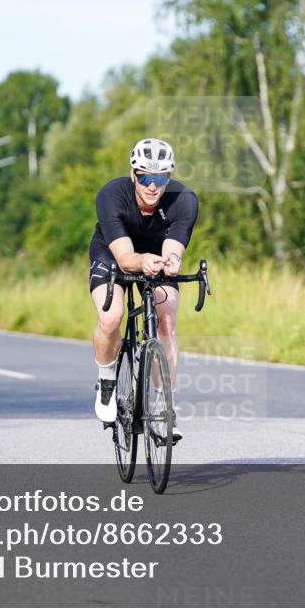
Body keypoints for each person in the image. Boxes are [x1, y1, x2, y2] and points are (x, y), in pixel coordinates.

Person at [88, 138, 198, 442]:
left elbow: (174, 249)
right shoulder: (111, 195)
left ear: (169, 177)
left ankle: (165, 407)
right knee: (112, 316)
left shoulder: (184, 200)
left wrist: (172, 261)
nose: (152, 186)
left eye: (161, 178)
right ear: (132, 173)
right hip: (113, 253)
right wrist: (142, 261)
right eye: (145, 177)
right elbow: (125, 258)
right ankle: (107, 380)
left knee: (167, 320)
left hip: (155, 255)